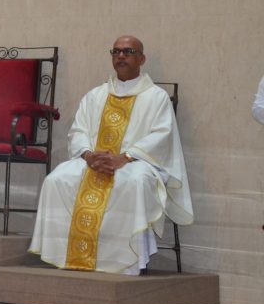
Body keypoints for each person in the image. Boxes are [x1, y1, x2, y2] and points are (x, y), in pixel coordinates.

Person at [29, 36, 193, 274]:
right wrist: (88, 156)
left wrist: (125, 157)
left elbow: (161, 136)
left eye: (128, 51)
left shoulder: (156, 97)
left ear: (142, 58)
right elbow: (78, 130)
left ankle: (128, 262)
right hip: (94, 161)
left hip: (136, 162)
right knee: (57, 179)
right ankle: (67, 257)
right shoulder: (95, 95)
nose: (121, 56)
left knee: (135, 182)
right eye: (116, 51)